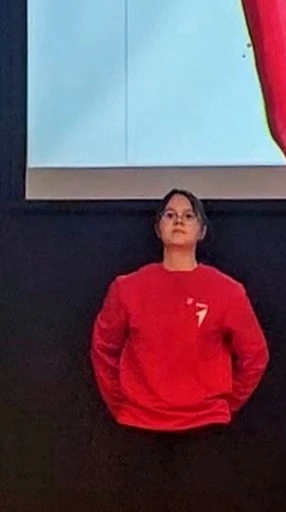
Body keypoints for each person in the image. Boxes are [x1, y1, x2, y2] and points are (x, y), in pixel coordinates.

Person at [90, 188, 269, 511]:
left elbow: (255, 354)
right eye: (170, 215)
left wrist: (225, 404)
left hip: (204, 428)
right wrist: (121, 402)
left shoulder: (227, 291)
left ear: (202, 230)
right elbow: (103, 349)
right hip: (139, 426)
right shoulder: (127, 288)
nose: (178, 221)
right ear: (158, 227)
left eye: (188, 216)